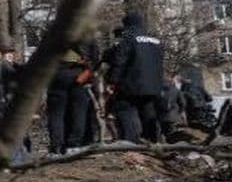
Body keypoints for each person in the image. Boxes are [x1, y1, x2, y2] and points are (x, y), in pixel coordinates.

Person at [104, 11, 166, 143]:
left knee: (124, 110)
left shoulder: (128, 40)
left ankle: (130, 143)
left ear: (127, 24)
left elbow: (119, 62)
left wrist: (112, 81)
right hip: (154, 87)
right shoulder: (157, 41)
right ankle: (152, 142)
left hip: (131, 86)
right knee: (148, 114)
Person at [42, 37, 96, 155]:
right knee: (79, 112)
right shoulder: (85, 35)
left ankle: (56, 147)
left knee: (56, 114)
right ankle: (74, 145)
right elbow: (95, 57)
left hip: (56, 76)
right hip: (80, 75)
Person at [180, 69, 216, 135]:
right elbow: (209, 97)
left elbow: (181, 99)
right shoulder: (199, 86)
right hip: (201, 107)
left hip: (190, 109)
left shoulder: (183, 88)